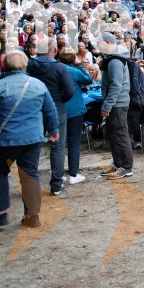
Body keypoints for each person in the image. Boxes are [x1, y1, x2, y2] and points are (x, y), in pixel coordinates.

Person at [0, 51, 59, 228]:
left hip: (6, 140)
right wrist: (53, 130)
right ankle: (32, 215)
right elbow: (50, 110)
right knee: (30, 174)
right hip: (32, 138)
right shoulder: (38, 85)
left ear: (5, 65)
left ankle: (0, 213)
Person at [27, 37, 75, 196]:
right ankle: (56, 184)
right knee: (58, 146)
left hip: (35, 108)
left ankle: (30, 185)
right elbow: (70, 91)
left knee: (33, 146)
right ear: (54, 50)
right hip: (56, 107)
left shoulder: (29, 65)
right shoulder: (60, 68)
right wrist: (60, 100)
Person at [98, 32, 134, 180]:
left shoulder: (115, 61)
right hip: (116, 104)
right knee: (113, 134)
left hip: (117, 104)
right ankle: (118, 163)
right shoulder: (112, 59)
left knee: (120, 134)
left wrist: (107, 106)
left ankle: (126, 167)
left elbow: (116, 85)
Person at [59, 48, 93, 185]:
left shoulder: (56, 69)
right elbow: (88, 79)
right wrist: (80, 66)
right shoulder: (73, 71)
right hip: (75, 110)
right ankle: (73, 174)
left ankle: (58, 174)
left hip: (58, 108)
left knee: (58, 144)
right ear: (74, 59)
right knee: (74, 142)